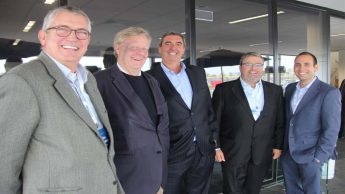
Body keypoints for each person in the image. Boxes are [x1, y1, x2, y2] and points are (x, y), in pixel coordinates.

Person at [0, 6, 124, 194]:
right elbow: (4, 165)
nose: (73, 37)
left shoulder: (88, 79)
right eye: (62, 29)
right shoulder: (21, 81)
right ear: (43, 37)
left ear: (88, 41)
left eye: (82, 32)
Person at [94, 27, 169, 194]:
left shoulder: (152, 81)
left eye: (144, 49)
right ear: (118, 49)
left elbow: (161, 128)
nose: (140, 53)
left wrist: (162, 180)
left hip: (156, 177)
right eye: (134, 47)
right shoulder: (99, 82)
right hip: (122, 179)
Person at [147, 32, 218, 194]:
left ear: (184, 49)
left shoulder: (197, 72)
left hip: (203, 149)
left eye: (178, 44)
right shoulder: (149, 78)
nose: (173, 48)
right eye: (168, 43)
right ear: (160, 49)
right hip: (172, 152)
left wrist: (214, 141)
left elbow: (207, 108)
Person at [211, 52, 285, 194]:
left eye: (258, 65)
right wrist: (216, 147)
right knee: (232, 190)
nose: (253, 69)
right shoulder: (224, 90)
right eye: (248, 64)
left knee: (253, 190)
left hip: (262, 152)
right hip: (232, 152)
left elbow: (279, 120)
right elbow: (214, 121)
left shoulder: (275, 90)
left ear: (263, 68)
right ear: (240, 67)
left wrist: (278, 145)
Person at [281, 51, 341, 194]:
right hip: (289, 153)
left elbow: (332, 128)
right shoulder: (290, 88)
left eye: (306, 64)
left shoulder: (328, 92)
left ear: (315, 67)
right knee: (292, 191)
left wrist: (319, 158)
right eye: (297, 64)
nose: (301, 69)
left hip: (312, 156)